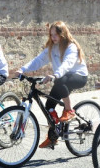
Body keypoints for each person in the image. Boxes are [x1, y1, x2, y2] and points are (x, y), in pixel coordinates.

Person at [16, 21, 88, 149]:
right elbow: (38, 60)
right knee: (49, 106)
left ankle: (69, 110)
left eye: (56, 35)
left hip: (78, 76)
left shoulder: (70, 47)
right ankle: (53, 135)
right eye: (51, 34)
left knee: (60, 80)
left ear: (63, 34)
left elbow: (67, 63)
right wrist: (23, 69)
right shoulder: (51, 47)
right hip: (61, 78)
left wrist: (55, 75)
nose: (53, 37)